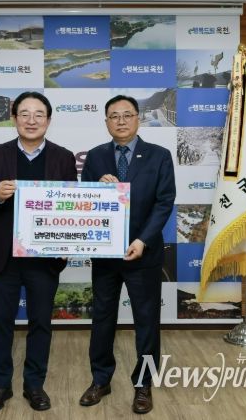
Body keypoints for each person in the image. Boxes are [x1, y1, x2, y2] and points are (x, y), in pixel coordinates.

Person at [0, 91, 77, 412]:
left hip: (45, 257)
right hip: (4, 256)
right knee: (1, 323)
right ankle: (0, 386)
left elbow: (71, 205)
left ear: (48, 120)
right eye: (25, 114)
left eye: (39, 114)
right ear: (14, 118)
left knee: (40, 323)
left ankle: (34, 385)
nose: (32, 120)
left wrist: (65, 246)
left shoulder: (63, 157)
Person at [79, 95, 175, 414]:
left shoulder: (159, 156)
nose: (120, 121)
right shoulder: (95, 156)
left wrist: (143, 240)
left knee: (146, 322)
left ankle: (143, 384)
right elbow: (84, 201)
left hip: (144, 254)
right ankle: (100, 380)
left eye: (127, 114)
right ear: (106, 121)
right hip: (105, 255)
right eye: (114, 116)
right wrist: (98, 187)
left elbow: (164, 202)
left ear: (138, 118)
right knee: (102, 319)